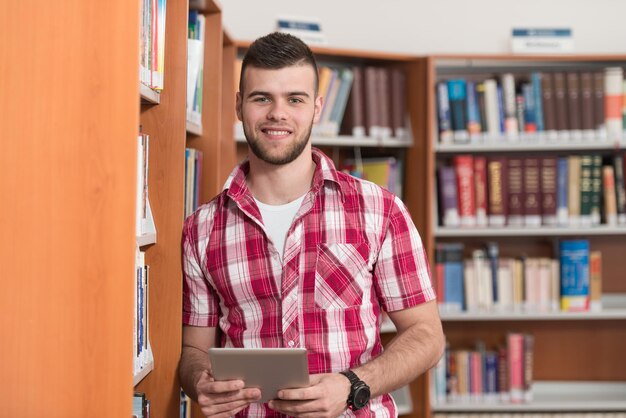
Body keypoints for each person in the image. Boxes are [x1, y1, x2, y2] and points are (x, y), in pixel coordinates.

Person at [179, 32, 444, 418]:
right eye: (261, 98)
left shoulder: (380, 210)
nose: (277, 114)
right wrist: (200, 379)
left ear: (317, 107)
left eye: (295, 99)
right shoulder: (201, 229)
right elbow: (194, 351)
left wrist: (352, 385)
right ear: (239, 106)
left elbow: (427, 336)